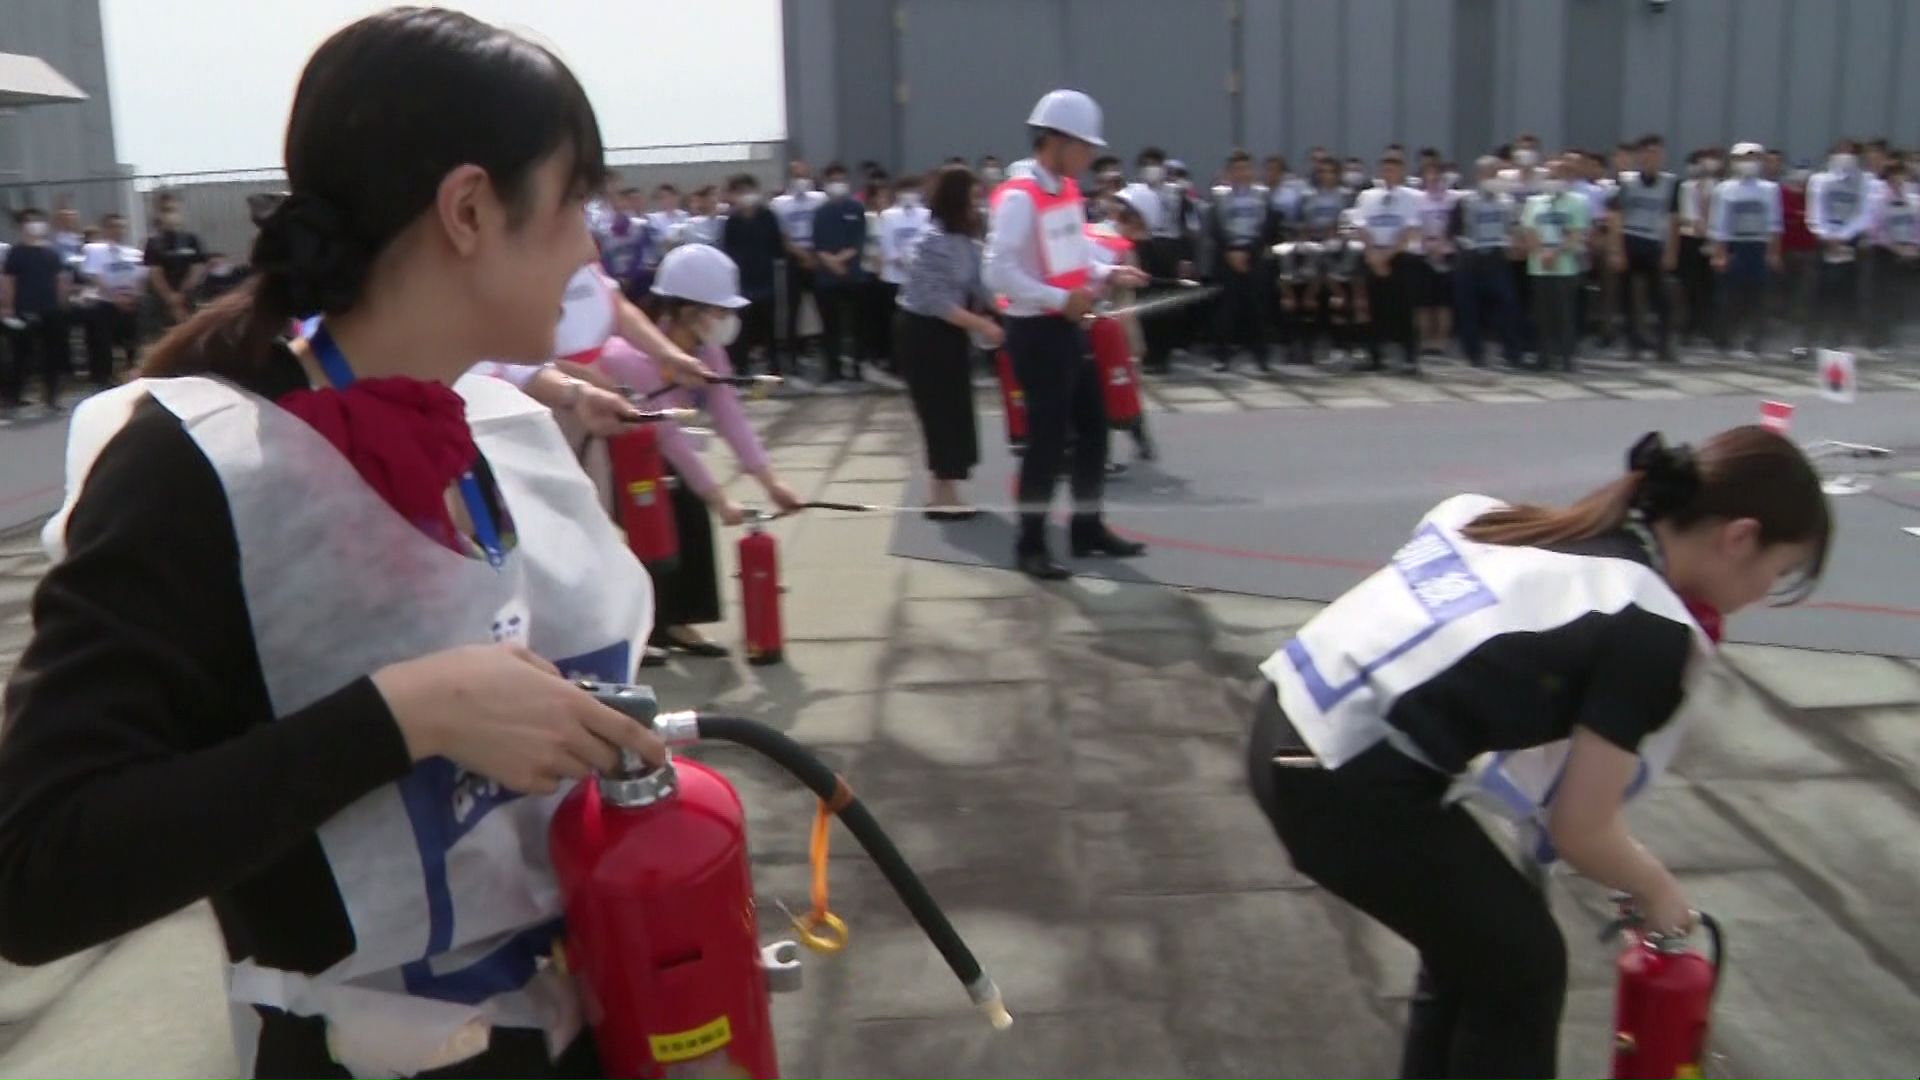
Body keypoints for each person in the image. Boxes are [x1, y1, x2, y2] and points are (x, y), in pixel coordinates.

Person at [0, 11, 673, 1077]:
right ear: (468, 209)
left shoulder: (498, 431)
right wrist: (407, 716)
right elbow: (37, 874)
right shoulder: (196, 469)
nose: (593, 241)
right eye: (574, 197)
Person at [1247, 425, 1830, 1080]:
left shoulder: (1554, 533)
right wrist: (1656, 890)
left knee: (1476, 952)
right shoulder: (1650, 625)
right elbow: (1582, 827)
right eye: (1776, 575)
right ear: (1740, 537)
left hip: (1289, 723)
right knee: (1525, 968)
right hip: (1343, 776)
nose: (1761, 598)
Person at [591, 244, 802, 661]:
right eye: (719, 312)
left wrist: (771, 481)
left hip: (653, 447)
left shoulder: (710, 352)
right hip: (609, 451)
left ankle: (676, 621)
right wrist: (719, 497)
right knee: (650, 524)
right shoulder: (631, 358)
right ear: (687, 310)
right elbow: (667, 436)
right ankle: (637, 629)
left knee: (688, 515)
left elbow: (730, 416)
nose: (727, 321)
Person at [983, 89, 1149, 580]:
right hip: (1037, 332)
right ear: (1056, 140)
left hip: (1069, 326)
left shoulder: (1067, 189)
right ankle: (1030, 544)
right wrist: (1059, 300)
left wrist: (1108, 271)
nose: (1091, 156)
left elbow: (1074, 252)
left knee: (1095, 430)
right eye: (1084, 146)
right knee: (1047, 442)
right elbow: (997, 273)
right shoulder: (1019, 196)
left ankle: (1087, 526)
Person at [896, 164, 1001, 519]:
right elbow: (937, 302)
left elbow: (981, 286)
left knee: (956, 409)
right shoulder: (932, 241)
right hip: (924, 333)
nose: (978, 207)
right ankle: (942, 494)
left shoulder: (968, 242)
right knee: (938, 412)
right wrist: (983, 326)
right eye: (972, 199)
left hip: (951, 334)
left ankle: (946, 488)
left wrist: (1011, 308)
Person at [1709, 142, 1783, 360]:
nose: (1747, 163)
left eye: (1752, 158)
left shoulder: (1770, 189)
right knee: (1731, 297)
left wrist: (1774, 252)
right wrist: (1719, 253)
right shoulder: (1724, 189)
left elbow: (1774, 224)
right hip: (1735, 246)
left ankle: (1755, 341)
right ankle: (1725, 340)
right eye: (1743, 159)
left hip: (1759, 246)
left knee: (1758, 297)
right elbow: (1719, 224)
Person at [1609, 134, 1680, 362]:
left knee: (1662, 298)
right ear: (1640, 156)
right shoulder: (1626, 182)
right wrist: (1617, 250)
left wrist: (1671, 252)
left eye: (1657, 153)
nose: (1653, 158)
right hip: (1630, 239)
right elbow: (1615, 217)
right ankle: (1632, 345)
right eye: (1648, 153)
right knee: (1627, 298)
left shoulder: (1671, 183)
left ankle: (1664, 345)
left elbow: (1673, 220)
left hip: (1654, 242)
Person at [1449, 156, 1522, 369]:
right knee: (1468, 309)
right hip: (1470, 260)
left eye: (1496, 174)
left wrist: (1514, 243)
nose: (1492, 178)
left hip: (1497, 258)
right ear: (1479, 175)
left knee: (1508, 305)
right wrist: (1466, 246)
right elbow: (1454, 231)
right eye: (1489, 173)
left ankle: (1512, 352)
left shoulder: (1508, 201)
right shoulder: (1465, 200)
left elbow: (1515, 227)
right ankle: (1474, 354)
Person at [1354, 148, 1422, 372]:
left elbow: (1411, 229)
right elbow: (1361, 226)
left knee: (1404, 308)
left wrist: (1388, 256)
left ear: (1402, 171)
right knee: (1373, 308)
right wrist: (1374, 254)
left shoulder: (1414, 197)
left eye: (1394, 168)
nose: (1389, 172)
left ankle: (1410, 358)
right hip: (1373, 255)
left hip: (1400, 257)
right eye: (1386, 168)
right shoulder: (1368, 196)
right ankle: (1374, 356)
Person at [1208, 148, 1274, 372]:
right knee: (1226, 308)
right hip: (1228, 254)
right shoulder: (1220, 196)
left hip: (1252, 254)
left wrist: (1249, 252)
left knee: (1257, 306)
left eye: (1245, 168)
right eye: (1236, 169)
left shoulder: (1262, 195)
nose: (1241, 173)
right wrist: (1230, 251)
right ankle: (1222, 356)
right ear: (1229, 172)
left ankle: (1261, 355)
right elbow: (1215, 227)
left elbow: (1267, 227)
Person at [1522, 156, 1591, 371]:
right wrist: (1541, 252)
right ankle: (1543, 356)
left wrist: (1556, 252)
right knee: (1542, 314)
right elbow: (1529, 230)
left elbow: (1577, 233)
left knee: (1565, 314)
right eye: (1550, 174)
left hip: (1565, 267)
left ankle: (1567, 358)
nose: (1554, 178)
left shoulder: (1577, 202)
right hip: (1538, 266)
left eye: (1559, 174)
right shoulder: (1534, 202)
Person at [1, 208, 71, 413]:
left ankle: (51, 396)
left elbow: (60, 278)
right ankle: (13, 397)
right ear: (22, 226)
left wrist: (62, 301)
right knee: (22, 354)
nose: (35, 225)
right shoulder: (16, 252)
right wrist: (8, 306)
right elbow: (8, 280)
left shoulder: (52, 251)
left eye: (38, 221)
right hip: (25, 308)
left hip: (51, 309)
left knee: (52, 354)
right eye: (30, 221)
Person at [720, 172, 785, 375]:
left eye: (749, 190)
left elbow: (777, 247)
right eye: (740, 192)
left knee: (768, 324)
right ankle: (742, 366)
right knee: (743, 326)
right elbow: (728, 251)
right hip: (742, 282)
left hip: (766, 279)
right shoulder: (732, 221)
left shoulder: (768, 216)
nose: (746, 195)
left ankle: (774, 366)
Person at [77, 212, 147, 387]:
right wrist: (115, 297)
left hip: (130, 303)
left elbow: (141, 277)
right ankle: (104, 378)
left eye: (121, 226)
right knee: (103, 343)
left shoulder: (133, 253)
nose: (118, 230)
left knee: (132, 342)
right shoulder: (95, 250)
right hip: (106, 303)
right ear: (105, 229)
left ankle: (131, 375)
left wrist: (133, 296)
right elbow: (94, 276)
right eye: (113, 226)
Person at [1867, 158, 1918, 349]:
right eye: (1894, 175)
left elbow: (1917, 226)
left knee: (1903, 298)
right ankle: (1879, 340)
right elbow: (1875, 231)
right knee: (1882, 297)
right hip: (1885, 253)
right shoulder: (1879, 201)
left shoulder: (1912, 200)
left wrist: (1914, 246)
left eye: (1901, 174)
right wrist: (1896, 248)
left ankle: (1899, 339)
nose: (1898, 178)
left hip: (1909, 252)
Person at [143, 191, 208, 329]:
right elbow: (155, 273)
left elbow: (197, 268)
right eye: (165, 210)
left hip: (188, 297)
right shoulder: (153, 242)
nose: (170, 215)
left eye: (173, 210)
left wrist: (181, 295)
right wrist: (170, 298)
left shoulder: (191, 239)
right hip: (162, 300)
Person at [1414, 160, 1459, 357]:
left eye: (1437, 176)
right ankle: (1425, 340)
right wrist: (1426, 244)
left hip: (1446, 252)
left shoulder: (1453, 199)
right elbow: (1414, 224)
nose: (1433, 179)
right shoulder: (1418, 199)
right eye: (1429, 175)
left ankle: (1441, 341)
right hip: (1424, 252)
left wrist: (1442, 244)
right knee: (1424, 302)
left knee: (1443, 303)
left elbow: (1457, 224)